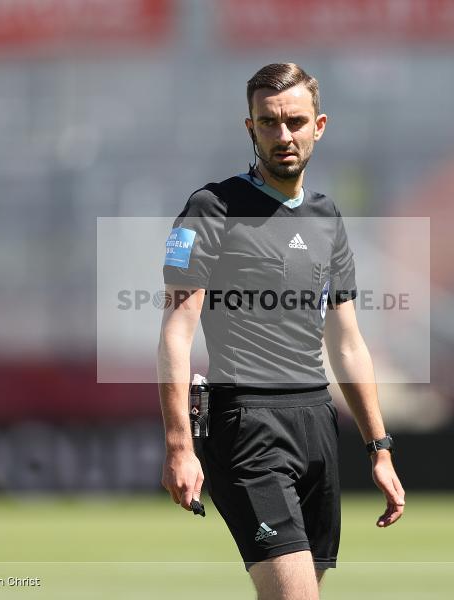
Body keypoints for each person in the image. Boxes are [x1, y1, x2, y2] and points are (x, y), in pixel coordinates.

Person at [157, 63, 404, 600]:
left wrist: (378, 448)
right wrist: (180, 445)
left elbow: (347, 344)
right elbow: (177, 333)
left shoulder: (327, 217)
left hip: (316, 423)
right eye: (268, 122)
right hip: (246, 424)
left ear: (319, 125)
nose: (282, 135)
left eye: (294, 121)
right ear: (250, 128)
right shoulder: (212, 208)